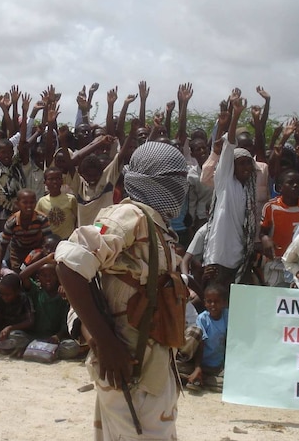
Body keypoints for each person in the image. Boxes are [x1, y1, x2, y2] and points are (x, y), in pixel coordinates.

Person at [55, 140, 189, 440]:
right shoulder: (129, 216)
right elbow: (68, 263)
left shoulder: (156, 223)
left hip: (150, 363)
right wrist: (105, 343)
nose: (182, 186)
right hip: (130, 366)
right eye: (176, 178)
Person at [202, 91, 258, 286]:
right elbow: (230, 144)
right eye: (240, 164)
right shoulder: (225, 180)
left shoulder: (247, 192)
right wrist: (236, 115)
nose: (245, 168)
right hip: (217, 257)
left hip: (238, 258)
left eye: (248, 164)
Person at [260, 170, 299, 286]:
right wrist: (265, 239)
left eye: (298, 183)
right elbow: (263, 232)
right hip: (278, 262)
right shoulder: (271, 207)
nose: (295, 186)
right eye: (290, 183)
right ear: (280, 187)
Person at [186, 282, 229, 393]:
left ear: (224, 303)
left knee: (230, 383)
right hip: (201, 363)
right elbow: (201, 343)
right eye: (209, 301)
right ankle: (199, 375)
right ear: (204, 303)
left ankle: (202, 380)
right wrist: (198, 367)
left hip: (218, 366)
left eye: (216, 302)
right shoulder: (202, 319)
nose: (213, 305)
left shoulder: (226, 316)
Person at [0, 189, 52, 270]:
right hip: (18, 251)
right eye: (25, 203)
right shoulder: (11, 222)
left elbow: (48, 240)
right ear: (17, 204)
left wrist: (41, 252)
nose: (29, 206)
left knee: (36, 271)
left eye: (32, 202)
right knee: (18, 274)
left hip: (36, 249)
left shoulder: (42, 219)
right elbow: (3, 244)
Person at [35, 166, 78, 240]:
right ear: (45, 182)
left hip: (68, 239)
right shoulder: (42, 202)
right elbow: (37, 220)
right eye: (51, 179)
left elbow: (77, 217)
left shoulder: (71, 199)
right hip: (50, 239)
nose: (54, 182)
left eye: (57, 179)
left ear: (62, 181)